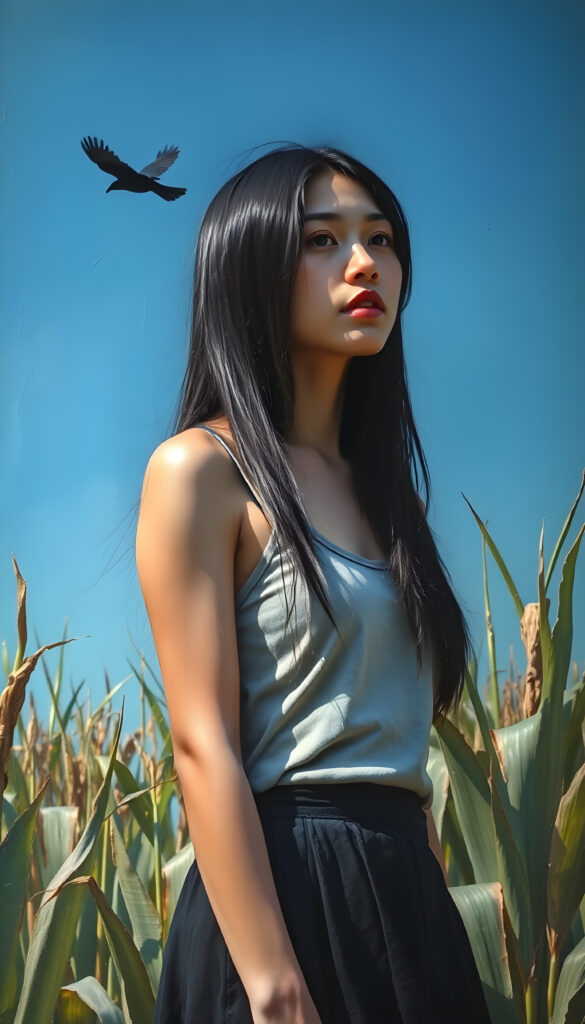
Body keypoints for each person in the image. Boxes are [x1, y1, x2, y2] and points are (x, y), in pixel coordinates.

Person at [135, 143, 491, 1024]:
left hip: (408, 902)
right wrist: (272, 986)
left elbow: (399, 748)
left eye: (381, 239)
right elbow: (201, 742)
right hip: (281, 896)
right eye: (322, 240)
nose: (364, 263)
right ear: (247, 265)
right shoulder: (200, 471)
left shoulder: (392, 502)